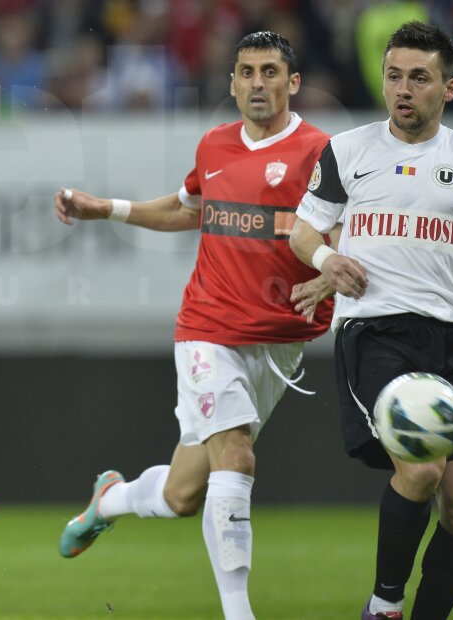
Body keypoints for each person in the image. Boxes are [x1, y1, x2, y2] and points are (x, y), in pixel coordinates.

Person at [54, 31, 333, 619]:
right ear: (232, 83)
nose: (258, 83)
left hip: (279, 344)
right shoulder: (215, 146)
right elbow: (187, 208)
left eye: (271, 72)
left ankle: (110, 500)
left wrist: (330, 276)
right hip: (208, 328)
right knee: (236, 457)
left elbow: (348, 234)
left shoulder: (321, 153)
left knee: (184, 496)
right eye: (247, 72)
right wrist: (106, 207)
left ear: (293, 83)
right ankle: (239, 614)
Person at [290, 21, 453, 620]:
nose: (403, 89)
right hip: (378, 334)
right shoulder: (348, 150)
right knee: (421, 470)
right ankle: (385, 602)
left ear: (447, 89)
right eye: (394, 75)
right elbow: (303, 230)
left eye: (419, 78)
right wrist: (329, 260)